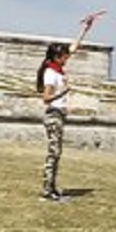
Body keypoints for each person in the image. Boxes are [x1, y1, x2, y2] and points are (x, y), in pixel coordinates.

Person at [37, 11, 100, 202]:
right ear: (57, 57)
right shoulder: (50, 73)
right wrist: (64, 92)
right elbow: (46, 98)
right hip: (53, 114)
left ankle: (52, 188)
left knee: (57, 153)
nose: (67, 58)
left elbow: (73, 48)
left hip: (59, 114)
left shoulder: (56, 68)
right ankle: (47, 190)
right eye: (63, 56)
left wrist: (86, 29)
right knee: (53, 153)